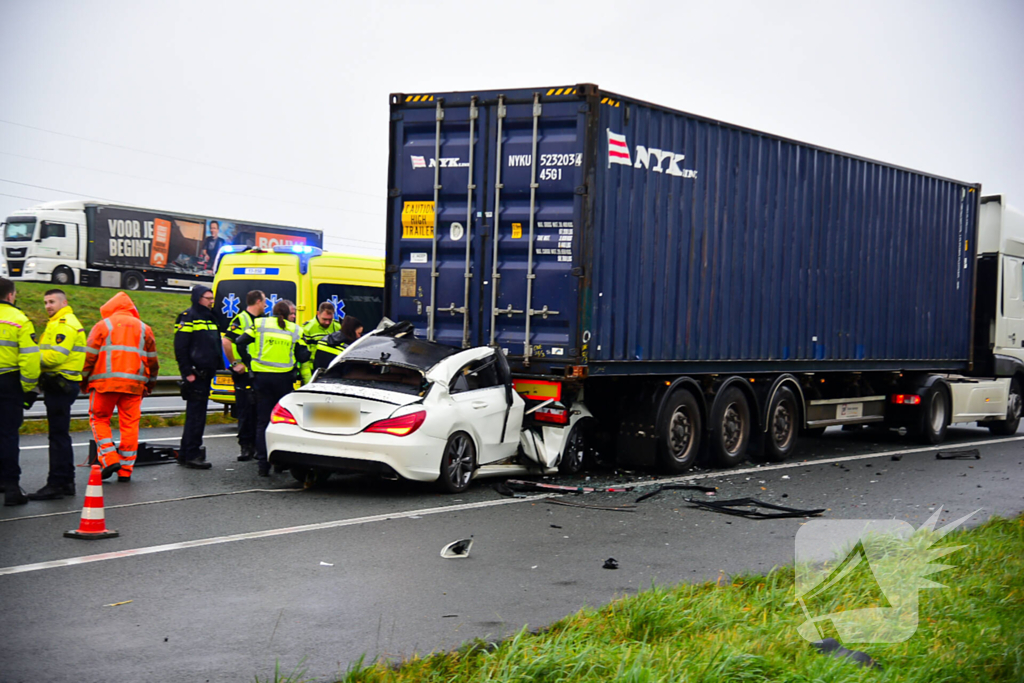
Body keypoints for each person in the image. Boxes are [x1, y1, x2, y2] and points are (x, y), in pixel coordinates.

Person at [82, 292, 159, 483]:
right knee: (130, 425)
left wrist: (83, 380)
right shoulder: (144, 329)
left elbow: (89, 356)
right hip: (134, 386)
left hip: (103, 385)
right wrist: (150, 383)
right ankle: (125, 470)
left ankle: (109, 459)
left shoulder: (103, 326)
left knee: (99, 419)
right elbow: (153, 361)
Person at [234, 299, 309, 477]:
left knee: (263, 422)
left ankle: (263, 465)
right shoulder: (295, 329)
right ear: (288, 313)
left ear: (274, 312)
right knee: (283, 422)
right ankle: (280, 464)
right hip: (284, 380)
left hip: (262, 379)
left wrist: (249, 362)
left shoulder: (259, 324)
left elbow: (239, 341)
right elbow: (303, 355)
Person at [27, 289, 86, 500]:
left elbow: (54, 358)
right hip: (59, 385)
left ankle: (57, 483)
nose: (48, 306)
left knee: (58, 436)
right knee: (59, 435)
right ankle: (66, 481)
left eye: (52, 301)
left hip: (61, 385)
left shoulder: (65, 324)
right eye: (45, 302)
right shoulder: (56, 323)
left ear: (64, 302)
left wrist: (29, 353)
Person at [0, 278, 40, 506]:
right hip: (8, 382)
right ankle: (11, 488)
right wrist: (26, 388)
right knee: (7, 435)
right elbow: (30, 359)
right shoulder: (19, 320)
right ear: (10, 295)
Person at [173, 285, 221, 470]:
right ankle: (192, 454)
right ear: (197, 298)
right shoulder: (188, 317)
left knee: (197, 415)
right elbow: (181, 347)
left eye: (212, 298)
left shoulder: (210, 316)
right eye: (207, 298)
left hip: (206, 373)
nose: (211, 301)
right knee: (196, 416)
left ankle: (186, 453)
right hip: (196, 374)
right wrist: (187, 372)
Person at [222, 289, 264, 461]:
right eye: (264, 301)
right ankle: (246, 447)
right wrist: (234, 364)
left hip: (259, 371)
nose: (266, 304)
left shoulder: (264, 320)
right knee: (245, 411)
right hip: (244, 373)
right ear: (258, 302)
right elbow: (226, 341)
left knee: (258, 410)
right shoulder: (241, 319)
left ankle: (257, 445)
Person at [299, 301, 340, 383]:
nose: (327, 322)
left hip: (331, 370)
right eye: (324, 319)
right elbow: (303, 355)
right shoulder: (307, 328)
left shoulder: (337, 326)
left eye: (330, 319)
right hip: (313, 370)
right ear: (318, 314)